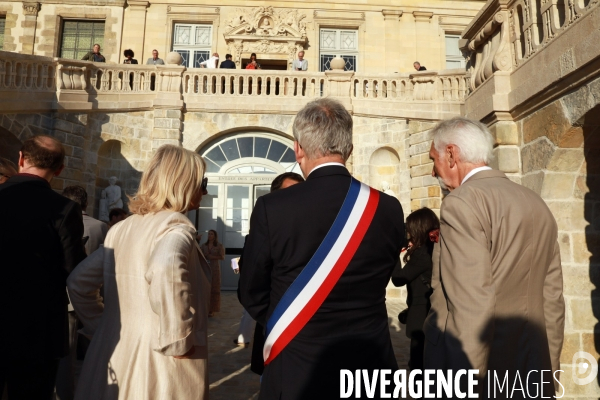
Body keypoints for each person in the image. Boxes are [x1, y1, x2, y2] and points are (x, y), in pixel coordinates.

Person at [239, 98, 406, 399]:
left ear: (298, 149)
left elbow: (251, 290)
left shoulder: (272, 207)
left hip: (297, 364)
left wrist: (291, 320)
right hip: (369, 367)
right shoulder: (389, 208)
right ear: (349, 149)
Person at [424, 117, 564, 397]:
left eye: (433, 159)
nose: (432, 171)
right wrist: (548, 374)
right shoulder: (535, 202)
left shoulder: (461, 203)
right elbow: (553, 302)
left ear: (451, 154)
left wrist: (465, 387)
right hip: (531, 370)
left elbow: (471, 305)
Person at [67, 145, 211, 400]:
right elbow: (165, 267)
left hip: (113, 350)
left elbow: (79, 282)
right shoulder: (176, 226)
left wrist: (101, 325)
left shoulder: (122, 229)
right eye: (202, 182)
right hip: (160, 363)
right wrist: (179, 339)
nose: (205, 190)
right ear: (184, 182)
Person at [0, 135, 87, 399]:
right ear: (59, 169)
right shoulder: (65, 208)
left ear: (21, 159)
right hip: (39, 330)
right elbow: (75, 271)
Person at [235, 171, 305, 378]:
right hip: (275, 327)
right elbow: (249, 286)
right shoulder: (263, 231)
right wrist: (271, 316)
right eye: (289, 192)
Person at [391, 207, 439, 372]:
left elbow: (399, 279)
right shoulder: (434, 248)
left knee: (418, 364)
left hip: (422, 315)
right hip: (429, 312)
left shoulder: (422, 255)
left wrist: (393, 252)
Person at [200, 230, 225, 317]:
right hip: (206, 267)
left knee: (214, 287)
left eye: (211, 234)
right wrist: (205, 255)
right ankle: (205, 307)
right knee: (206, 287)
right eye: (209, 234)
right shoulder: (204, 245)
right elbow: (199, 255)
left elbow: (222, 257)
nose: (210, 235)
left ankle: (212, 309)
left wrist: (213, 257)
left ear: (215, 236)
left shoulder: (219, 246)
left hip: (214, 268)